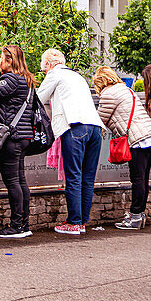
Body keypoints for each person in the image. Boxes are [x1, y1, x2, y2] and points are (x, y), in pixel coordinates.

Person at [37, 49, 105, 235]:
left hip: (75, 127)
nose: (45, 73)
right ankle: (82, 221)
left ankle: (74, 222)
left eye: (43, 69)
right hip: (95, 128)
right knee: (87, 178)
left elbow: (37, 99)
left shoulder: (55, 74)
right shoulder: (77, 76)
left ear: (49, 64)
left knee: (73, 176)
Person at [93, 67, 151, 230]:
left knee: (137, 179)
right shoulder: (125, 89)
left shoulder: (109, 93)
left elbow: (100, 118)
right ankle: (139, 214)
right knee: (143, 178)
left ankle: (136, 216)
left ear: (100, 82)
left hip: (138, 139)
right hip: (150, 135)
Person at [0, 45, 36, 239]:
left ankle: (16, 226)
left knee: (13, 181)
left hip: (10, 137)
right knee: (20, 181)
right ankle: (24, 224)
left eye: (2, 60)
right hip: (22, 137)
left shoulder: (12, 79)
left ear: (9, 61)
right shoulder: (27, 80)